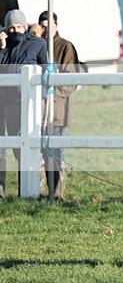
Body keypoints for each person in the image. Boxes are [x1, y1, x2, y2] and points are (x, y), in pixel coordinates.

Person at [0, 10, 48, 197]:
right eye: (11, 27)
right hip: (9, 103)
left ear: (25, 26)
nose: (15, 30)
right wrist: (2, 47)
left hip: (29, 103)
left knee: (27, 149)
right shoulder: (5, 47)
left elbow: (46, 69)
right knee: (15, 148)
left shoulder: (37, 44)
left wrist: (43, 96)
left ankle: (30, 191)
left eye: (18, 26)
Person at [38, 11, 82, 199]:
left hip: (57, 110)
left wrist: (50, 95)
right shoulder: (37, 46)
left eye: (49, 26)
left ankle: (57, 193)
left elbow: (70, 82)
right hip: (37, 112)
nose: (46, 30)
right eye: (43, 26)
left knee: (56, 151)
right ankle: (38, 191)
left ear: (56, 25)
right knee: (39, 152)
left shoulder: (65, 47)